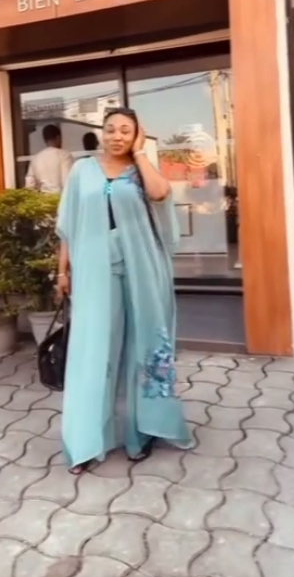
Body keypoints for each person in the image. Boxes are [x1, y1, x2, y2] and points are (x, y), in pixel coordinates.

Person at [55, 107, 192, 474]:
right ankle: (84, 441)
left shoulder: (140, 170)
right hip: (94, 270)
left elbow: (160, 194)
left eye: (126, 131)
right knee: (92, 349)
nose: (117, 136)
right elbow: (68, 225)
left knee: (144, 345)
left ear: (136, 135)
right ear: (101, 132)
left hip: (142, 267)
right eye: (111, 129)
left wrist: (141, 154)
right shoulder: (82, 171)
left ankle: (143, 430)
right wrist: (61, 271)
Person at [24, 123, 72, 194]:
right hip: (59, 197)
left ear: (44, 140)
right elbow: (67, 182)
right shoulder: (64, 155)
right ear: (58, 137)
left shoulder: (36, 158)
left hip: (43, 199)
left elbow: (29, 185)